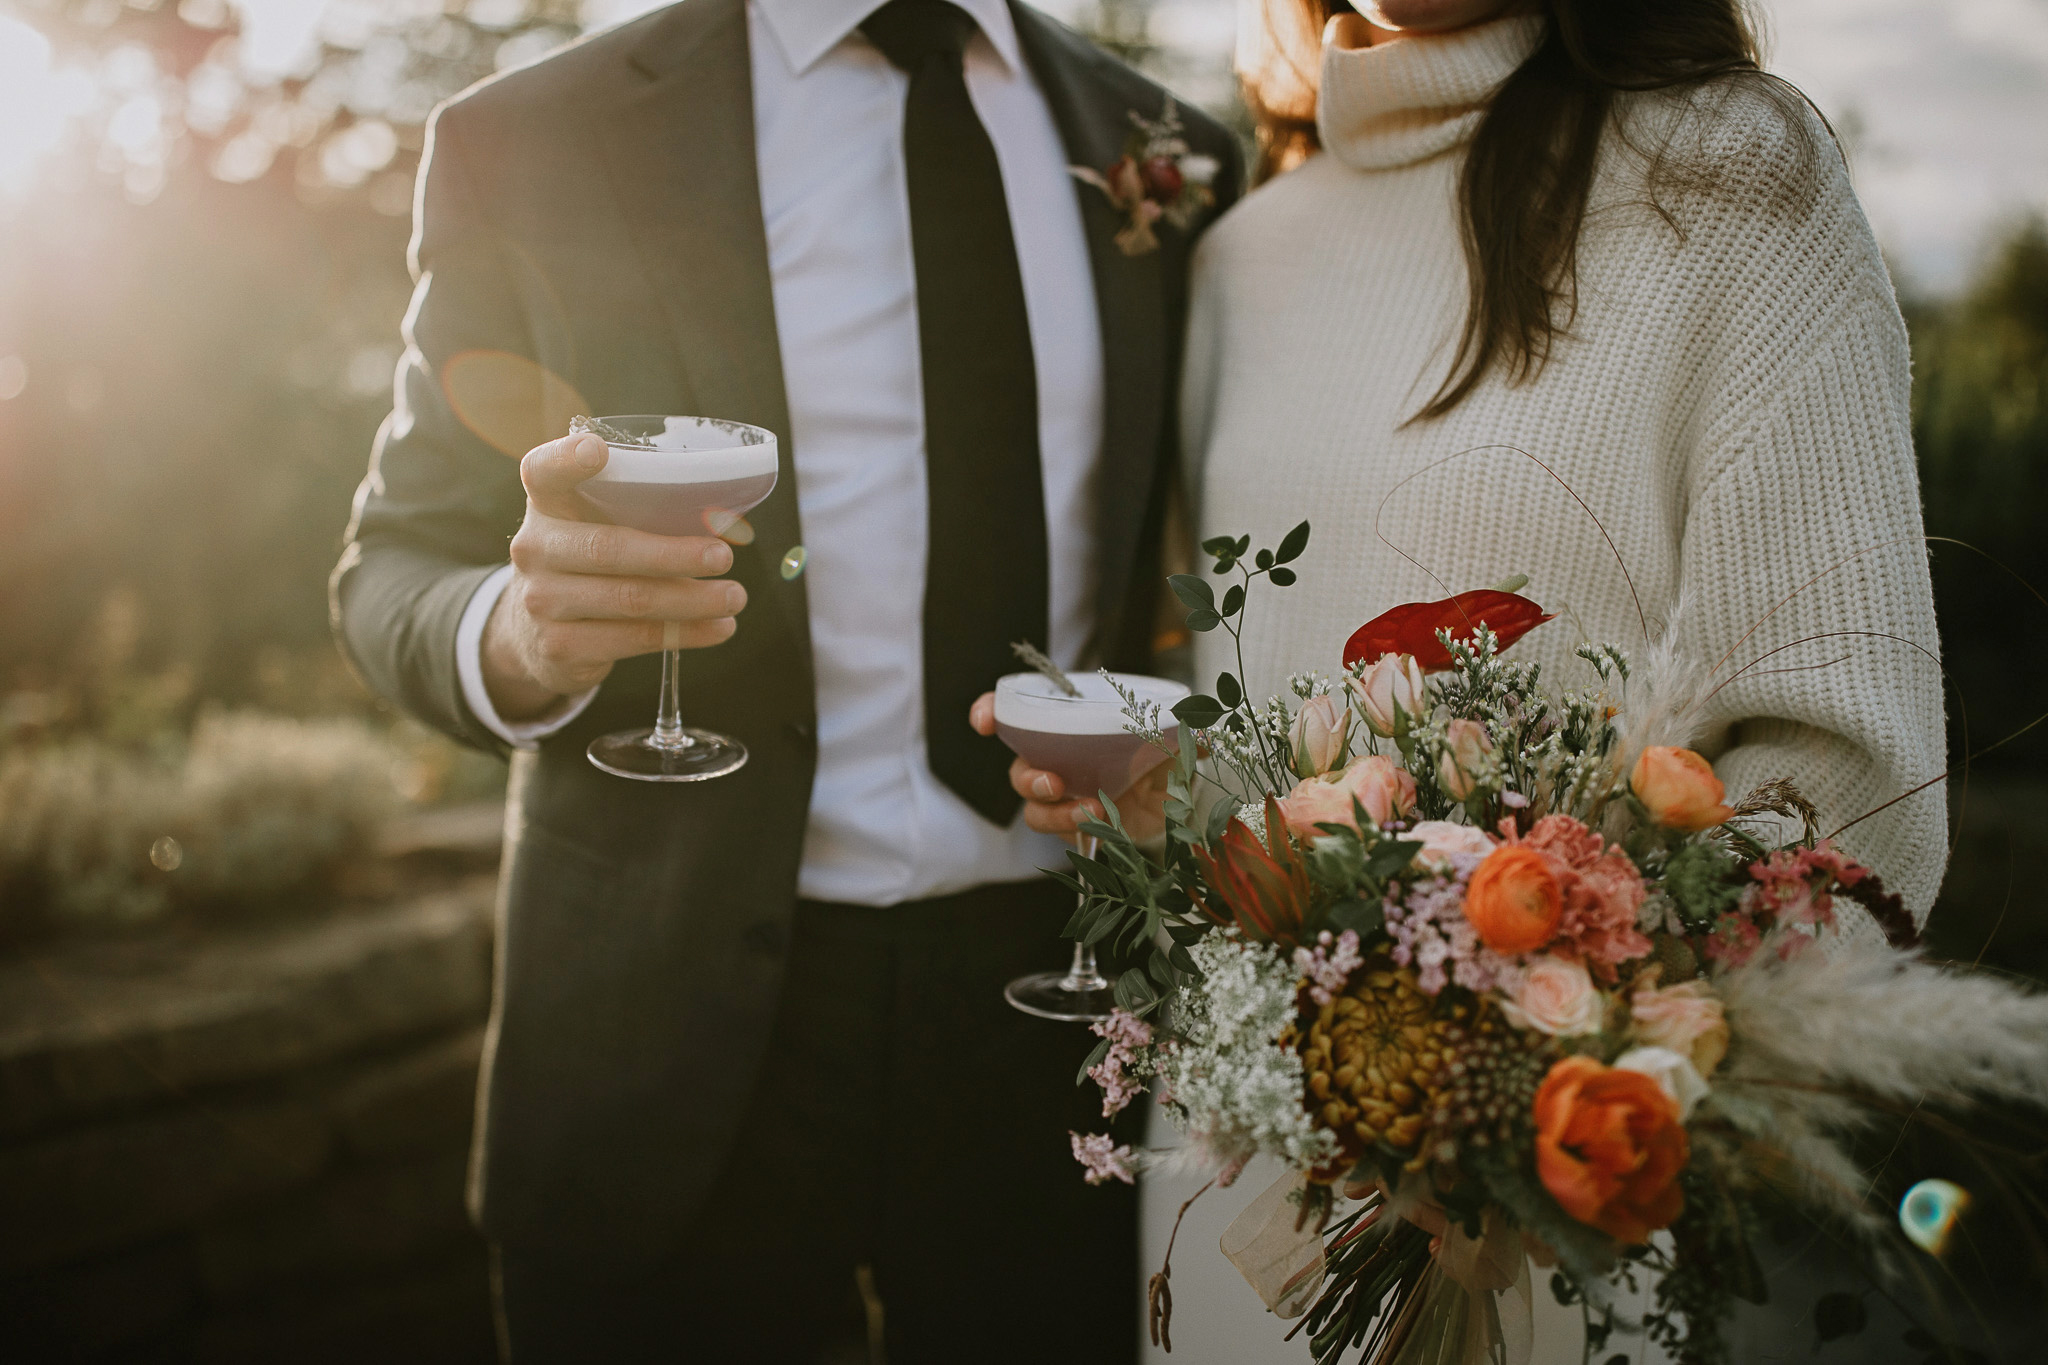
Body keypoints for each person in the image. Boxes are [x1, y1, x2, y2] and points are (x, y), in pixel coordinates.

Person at [997, 0, 1946, 1359]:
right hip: (1234, 1217)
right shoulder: (1249, 249)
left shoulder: (1736, 175)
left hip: (1567, 1230)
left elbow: (1856, 785)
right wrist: (1163, 812)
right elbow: (1249, 709)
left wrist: (1508, 1088)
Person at [330, 0, 1240, 1357]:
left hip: (1059, 1016)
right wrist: (522, 632)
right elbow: (391, 569)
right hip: (664, 1023)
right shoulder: (535, 136)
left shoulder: (1168, 147)